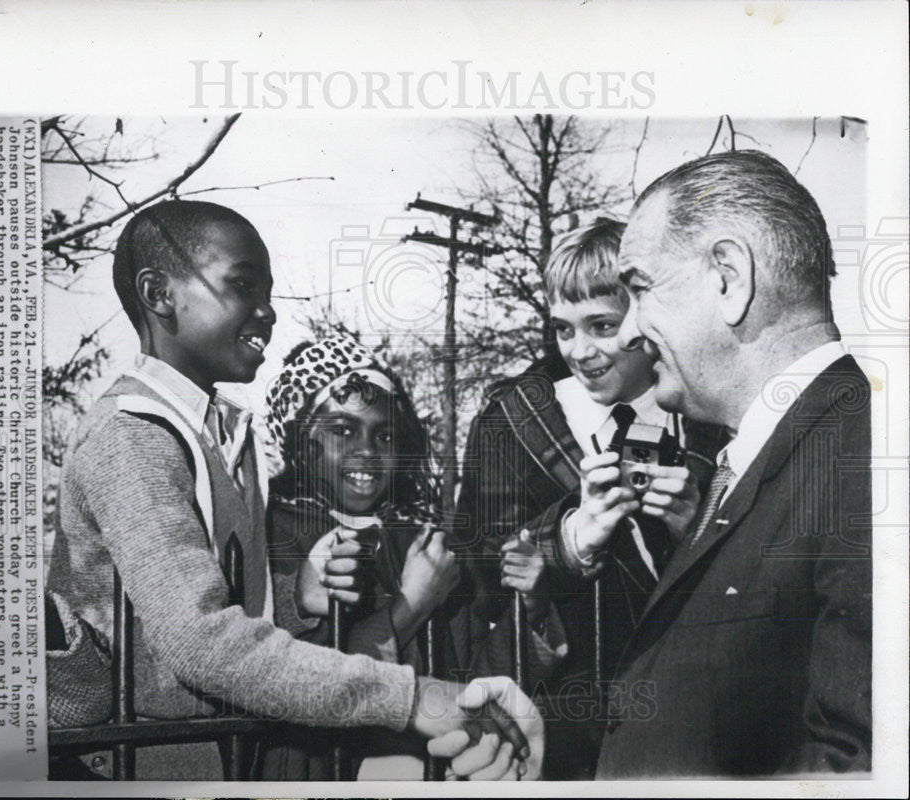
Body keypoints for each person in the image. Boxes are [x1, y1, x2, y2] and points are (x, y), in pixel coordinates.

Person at [45, 199, 542, 780]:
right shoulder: (131, 436)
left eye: (269, 292)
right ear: (159, 294)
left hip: (221, 753)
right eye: (242, 286)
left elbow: (200, 604)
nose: (267, 311)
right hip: (140, 766)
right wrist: (412, 696)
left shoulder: (219, 433)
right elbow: (201, 643)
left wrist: (293, 594)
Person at [580, 150, 872, 776]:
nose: (629, 332)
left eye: (639, 288)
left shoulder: (863, 462)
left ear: (728, 277)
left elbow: (859, 770)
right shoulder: (763, 458)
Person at [454, 217, 727, 778]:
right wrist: (568, 541)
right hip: (558, 727)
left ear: (646, 318)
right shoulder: (512, 422)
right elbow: (477, 572)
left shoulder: (708, 424)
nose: (580, 352)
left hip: (687, 725)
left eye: (602, 325)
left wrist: (693, 531)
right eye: (562, 329)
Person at [262, 336, 561, 780]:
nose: (367, 449)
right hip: (319, 769)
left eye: (384, 434)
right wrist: (413, 604)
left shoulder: (424, 544)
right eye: (342, 431)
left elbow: (472, 679)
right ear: (299, 439)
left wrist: (531, 609)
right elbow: (292, 682)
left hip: (426, 771)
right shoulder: (275, 538)